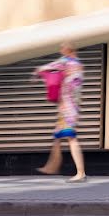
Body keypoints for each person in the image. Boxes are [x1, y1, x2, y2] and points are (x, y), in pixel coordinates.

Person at [33, 42, 87, 183]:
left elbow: (50, 67)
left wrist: (38, 71)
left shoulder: (66, 62)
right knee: (58, 136)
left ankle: (80, 173)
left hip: (67, 108)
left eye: (62, 48)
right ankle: (52, 166)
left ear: (67, 50)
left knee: (71, 138)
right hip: (72, 107)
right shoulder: (79, 65)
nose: (61, 51)